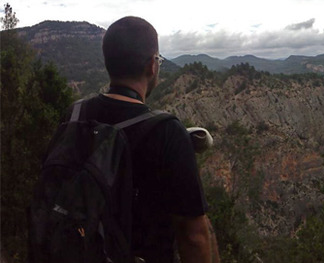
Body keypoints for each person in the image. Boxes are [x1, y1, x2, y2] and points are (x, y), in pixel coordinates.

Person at [60, 16, 220, 263]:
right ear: (152, 66)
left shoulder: (73, 115)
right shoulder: (167, 132)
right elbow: (194, 237)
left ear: (108, 63)